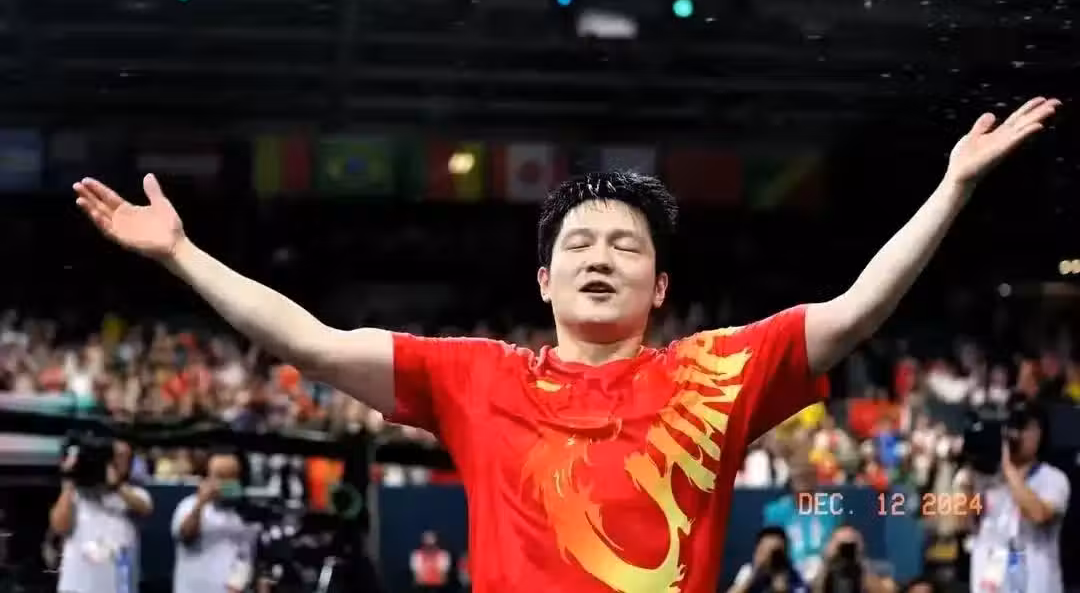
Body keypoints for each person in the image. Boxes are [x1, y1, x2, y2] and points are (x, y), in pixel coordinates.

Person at [72, 97, 1059, 593]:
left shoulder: (716, 370)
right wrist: (182, 254)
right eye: (578, 244)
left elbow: (856, 312)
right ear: (543, 280)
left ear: (660, 287)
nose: (599, 256)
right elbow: (313, 343)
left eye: (626, 245)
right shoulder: (475, 375)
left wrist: (953, 186)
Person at [969, 398, 1069, 593]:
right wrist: (968, 473)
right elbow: (966, 524)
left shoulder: (1053, 478)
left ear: (1039, 433)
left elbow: (1038, 514)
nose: (1013, 434)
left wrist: (1008, 468)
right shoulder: (987, 480)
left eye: (1022, 427)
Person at [49, 439, 154, 593]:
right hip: (77, 587)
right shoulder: (76, 495)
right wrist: (69, 480)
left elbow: (145, 509)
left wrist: (116, 485)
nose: (116, 461)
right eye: (114, 456)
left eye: (123, 457)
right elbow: (60, 526)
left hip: (117, 587)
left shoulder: (135, 494)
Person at [171, 451, 258, 593]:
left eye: (231, 477)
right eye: (220, 477)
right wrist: (200, 504)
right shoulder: (188, 505)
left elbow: (245, 558)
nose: (225, 484)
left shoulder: (243, 515)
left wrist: (237, 585)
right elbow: (186, 536)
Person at [763, 462, 837, 582]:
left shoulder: (831, 506)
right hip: (788, 571)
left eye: (808, 475)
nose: (804, 480)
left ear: (815, 478)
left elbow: (836, 539)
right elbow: (770, 546)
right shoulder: (775, 511)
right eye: (799, 475)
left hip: (825, 570)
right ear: (791, 479)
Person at [811, 525, 892, 593]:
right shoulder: (817, 570)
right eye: (842, 545)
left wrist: (863, 569)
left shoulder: (878, 570)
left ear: (861, 545)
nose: (846, 549)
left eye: (851, 545)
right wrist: (829, 563)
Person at [728, 526, 808, 593]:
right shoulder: (749, 570)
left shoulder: (793, 574)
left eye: (776, 552)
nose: (772, 556)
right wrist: (755, 573)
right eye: (765, 550)